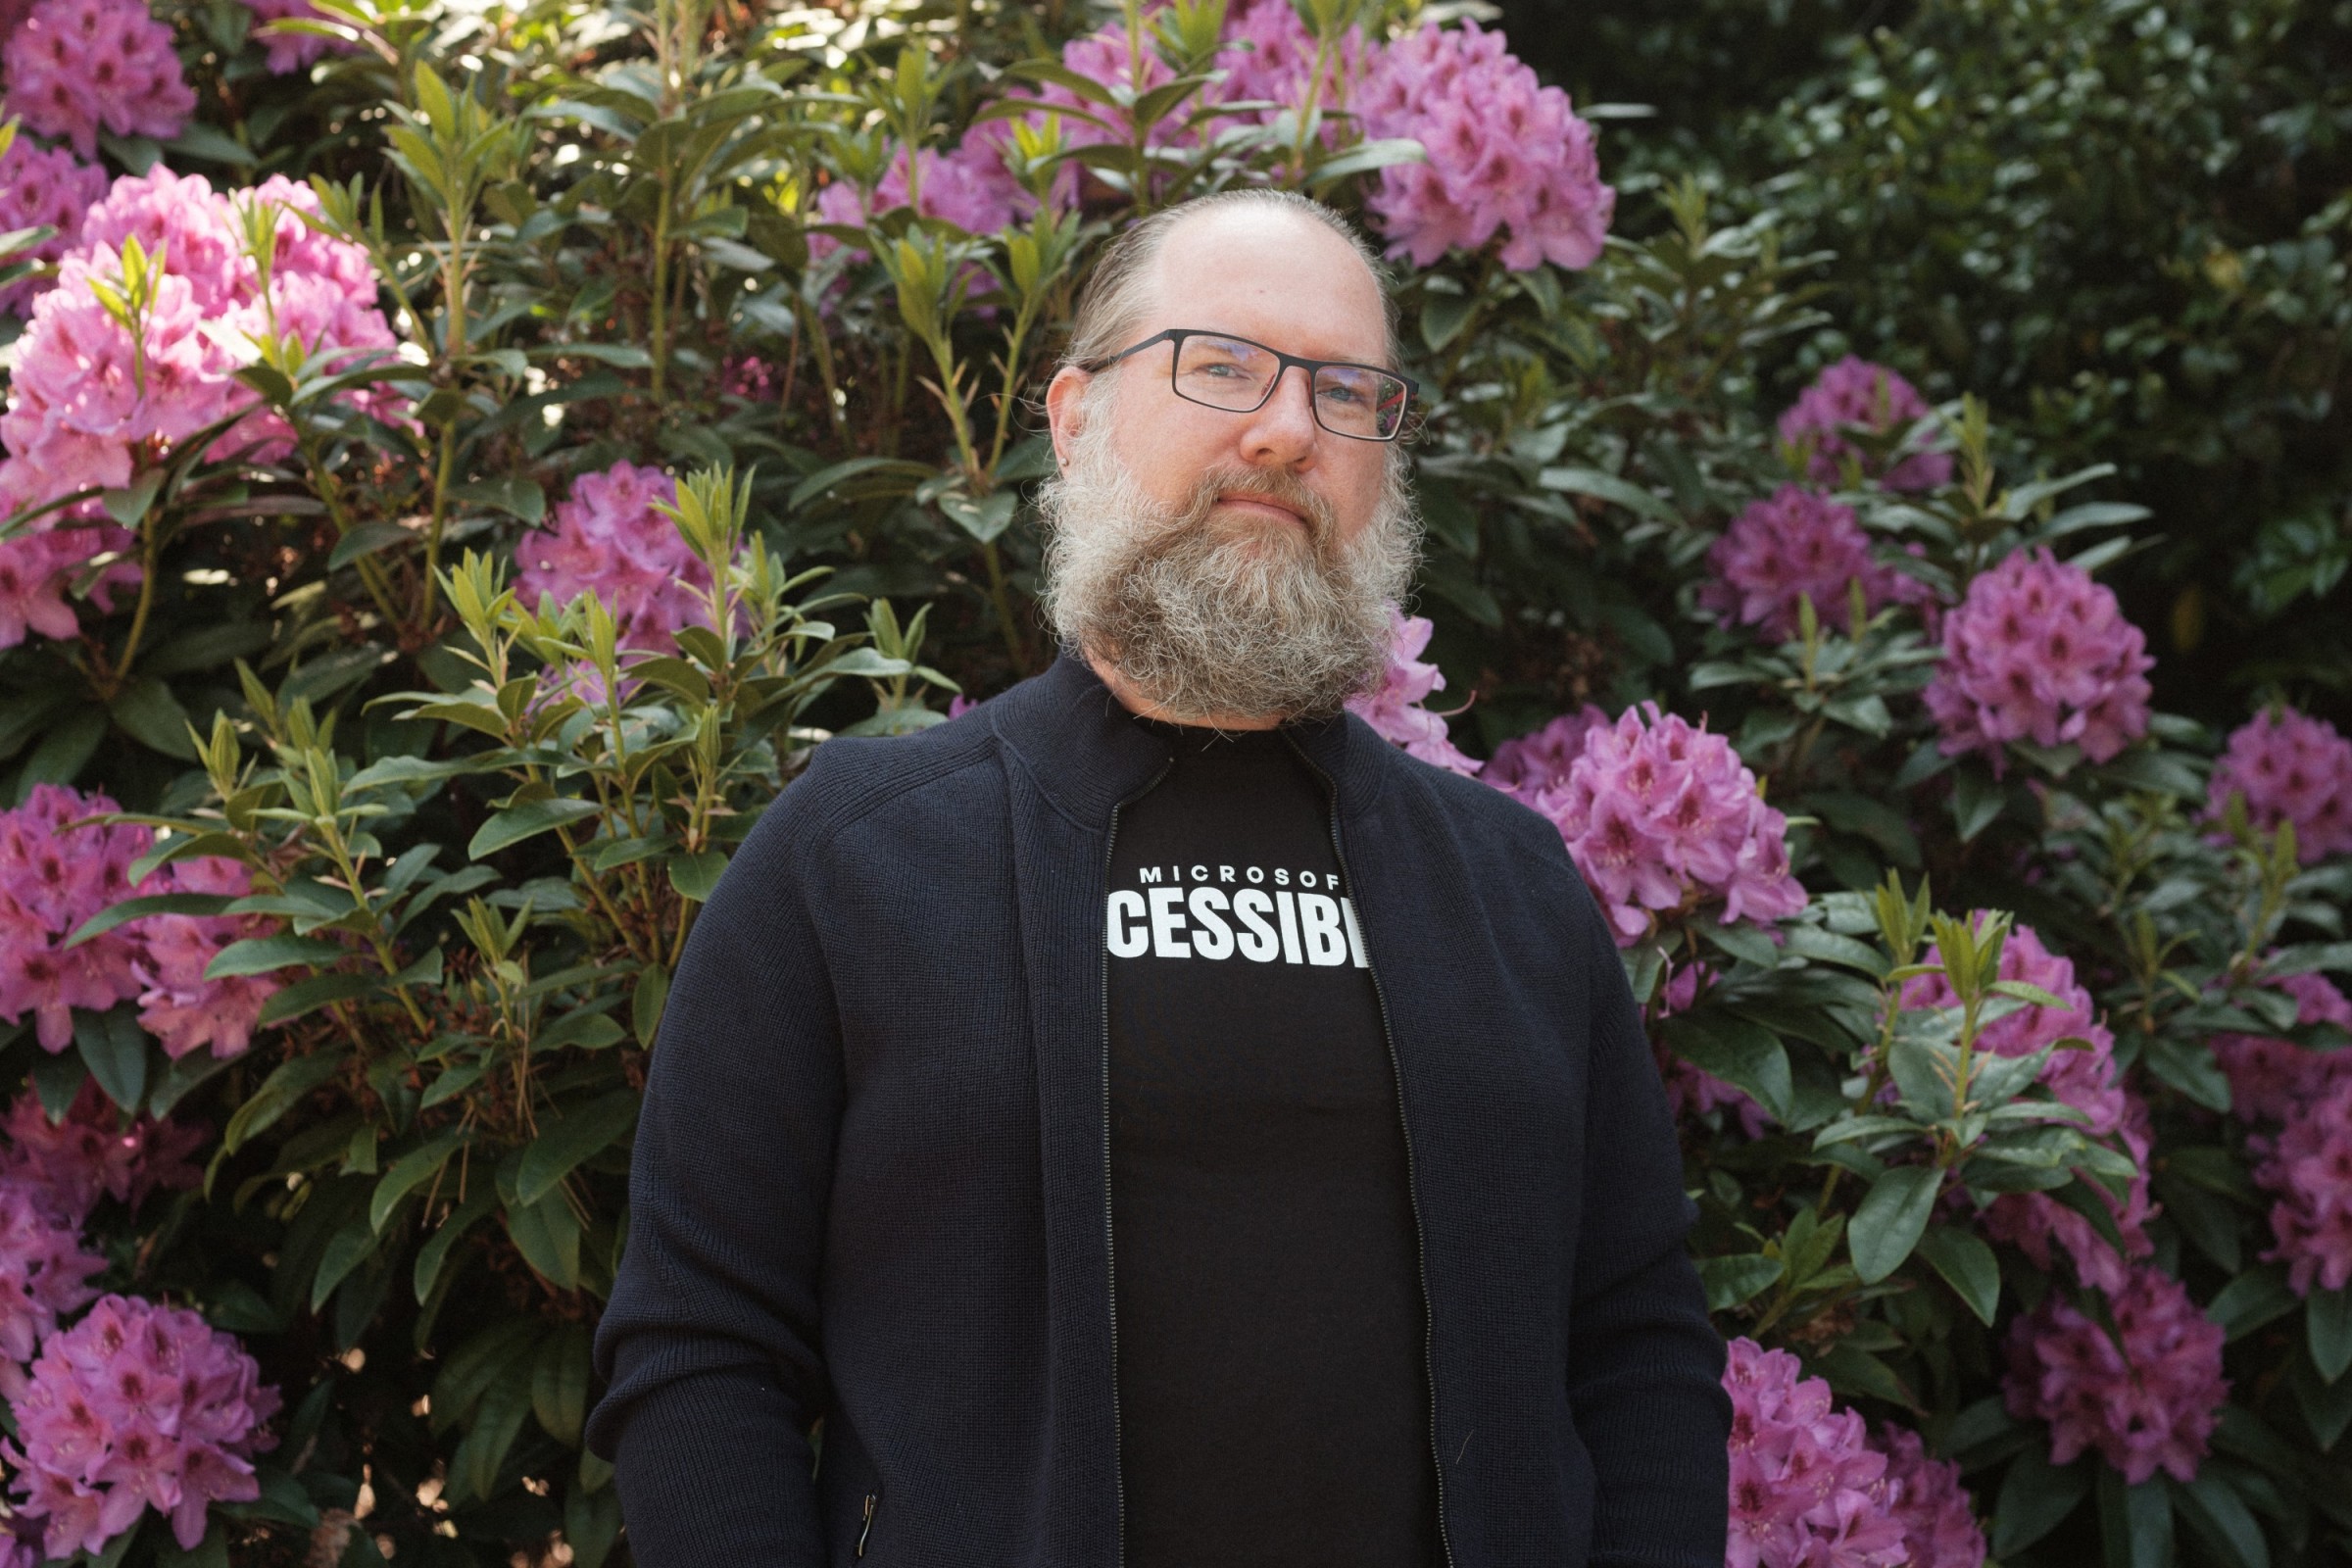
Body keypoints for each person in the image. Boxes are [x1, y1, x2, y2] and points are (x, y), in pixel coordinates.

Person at [584, 188, 1731, 1568]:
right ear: (1075, 422)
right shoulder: (857, 859)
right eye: (1224, 365)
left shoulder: (1512, 889)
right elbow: (699, 1350)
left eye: (1348, 393)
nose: (1288, 429)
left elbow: (1638, 1346)